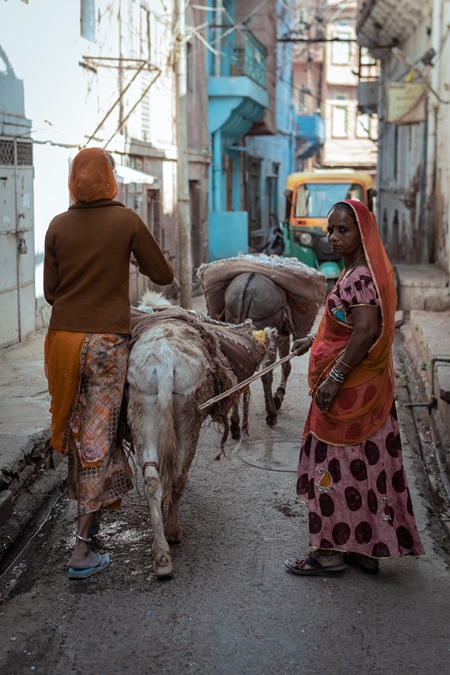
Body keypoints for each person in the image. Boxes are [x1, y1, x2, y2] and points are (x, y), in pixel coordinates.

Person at [44, 147, 174, 579]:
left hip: (63, 341)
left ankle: (92, 526)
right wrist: (128, 256)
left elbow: (51, 292)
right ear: (108, 178)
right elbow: (164, 276)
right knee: (99, 432)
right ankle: (81, 550)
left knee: (80, 427)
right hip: (104, 344)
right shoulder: (126, 220)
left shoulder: (58, 225)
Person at [284, 199, 425, 575]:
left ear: (362, 235)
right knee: (365, 465)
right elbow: (344, 324)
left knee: (334, 467)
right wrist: (313, 342)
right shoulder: (357, 273)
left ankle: (328, 553)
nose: (332, 237)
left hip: (348, 393)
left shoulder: (360, 278)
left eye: (342, 230)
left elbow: (364, 332)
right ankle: (364, 547)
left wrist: (334, 378)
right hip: (367, 393)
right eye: (330, 229)